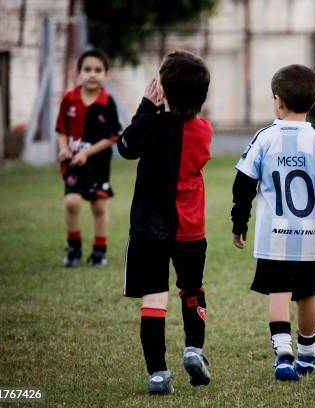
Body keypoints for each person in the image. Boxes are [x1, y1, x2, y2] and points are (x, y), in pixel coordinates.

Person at [231, 64, 315, 381]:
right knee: (307, 295)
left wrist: (239, 221)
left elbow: (243, 183)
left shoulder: (264, 138)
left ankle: (284, 355)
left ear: (278, 100)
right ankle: (308, 353)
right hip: (310, 239)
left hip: (274, 237)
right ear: (312, 102)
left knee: (279, 293)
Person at [117, 51, 213, 394]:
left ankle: (158, 373)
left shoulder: (152, 126)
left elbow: (125, 146)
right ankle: (193, 350)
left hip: (150, 227)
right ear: (201, 96)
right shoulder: (204, 131)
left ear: (163, 91)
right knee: (192, 289)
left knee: (154, 298)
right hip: (190, 228)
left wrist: (146, 105)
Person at [56, 49, 121, 268]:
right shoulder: (69, 99)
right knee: (71, 202)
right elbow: (61, 129)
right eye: (87, 69)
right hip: (74, 163)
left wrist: (87, 152)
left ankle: (99, 251)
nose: (92, 74)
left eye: (98, 70)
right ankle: (73, 248)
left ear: (106, 74)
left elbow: (113, 136)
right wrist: (64, 149)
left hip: (99, 164)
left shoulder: (107, 102)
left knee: (99, 207)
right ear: (79, 73)